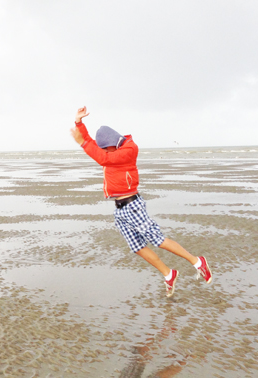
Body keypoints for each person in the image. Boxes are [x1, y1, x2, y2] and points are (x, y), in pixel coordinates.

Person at [70, 106, 213, 297]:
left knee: (157, 239)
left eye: (106, 147)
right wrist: (79, 123)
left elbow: (100, 156)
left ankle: (197, 262)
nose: (105, 151)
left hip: (133, 205)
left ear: (113, 143)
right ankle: (168, 274)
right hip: (119, 209)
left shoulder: (129, 149)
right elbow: (91, 144)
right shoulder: (110, 152)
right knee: (136, 247)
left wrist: (83, 144)